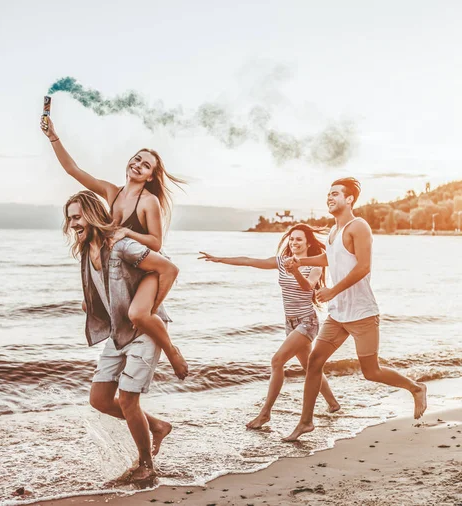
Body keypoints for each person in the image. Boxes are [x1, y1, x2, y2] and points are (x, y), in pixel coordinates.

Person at [41, 115, 188, 380]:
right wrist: (53, 136)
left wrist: (127, 231)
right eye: (136, 159)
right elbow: (74, 170)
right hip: (124, 267)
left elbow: (156, 242)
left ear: (151, 175)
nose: (138, 165)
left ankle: (172, 351)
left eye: (146, 165)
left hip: (149, 268)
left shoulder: (149, 201)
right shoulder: (113, 192)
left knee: (138, 314)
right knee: (90, 307)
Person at [283, 177, 427, 442]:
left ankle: (415, 387)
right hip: (338, 314)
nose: (330, 198)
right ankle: (305, 422)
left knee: (371, 372)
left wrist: (332, 291)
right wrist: (301, 260)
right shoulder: (333, 231)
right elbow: (330, 258)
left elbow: (363, 267)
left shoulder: (358, 226)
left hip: (362, 312)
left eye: (335, 194)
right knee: (314, 362)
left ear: (349, 199)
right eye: (328, 194)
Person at [64, 190, 179, 484]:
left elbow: (168, 268)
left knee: (128, 400)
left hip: (143, 332)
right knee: (100, 399)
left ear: (91, 214)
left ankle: (146, 466)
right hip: (118, 333)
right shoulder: (87, 252)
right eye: (69, 219)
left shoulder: (122, 245)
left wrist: (147, 311)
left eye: (77, 216)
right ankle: (156, 426)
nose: (73, 223)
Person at [198, 223, 340, 429]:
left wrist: (296, 269)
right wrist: (220, 259)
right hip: (290, 323)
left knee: (277, 361)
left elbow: (307, 286)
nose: (294, 242)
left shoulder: (315, 265)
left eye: (299, 239)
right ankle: (333, 404)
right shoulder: (282, 262)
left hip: (307, 322)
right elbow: (249, 261)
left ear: (308, 243)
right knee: (310, 367)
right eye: (291, 239)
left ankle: (265, 414)